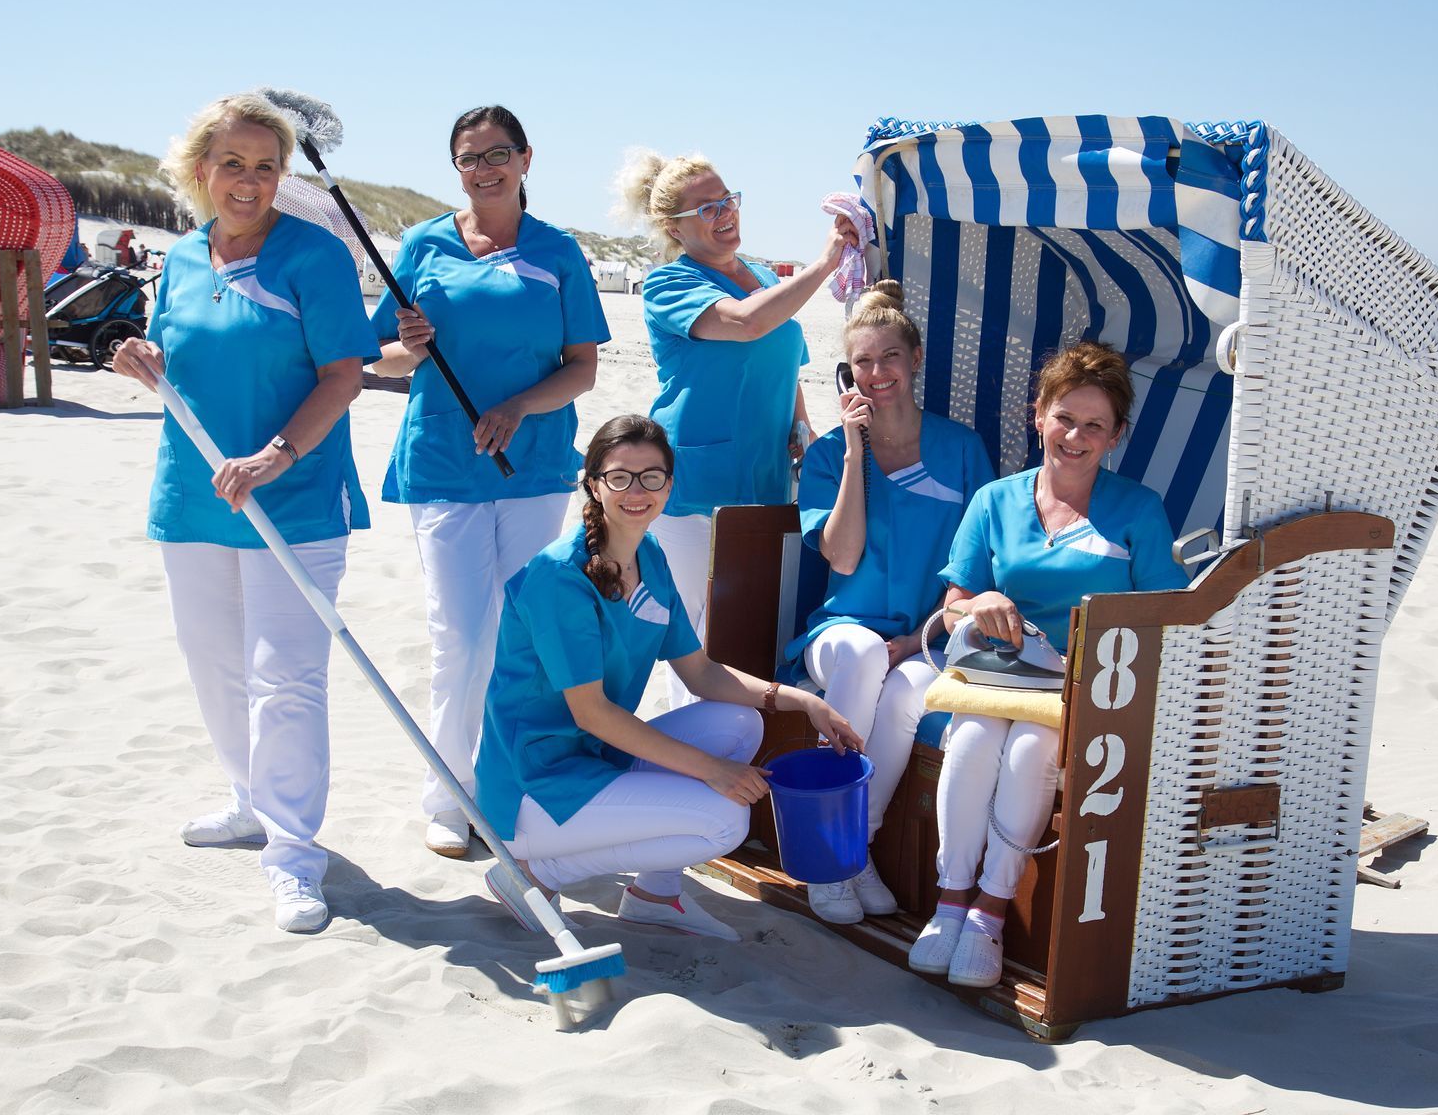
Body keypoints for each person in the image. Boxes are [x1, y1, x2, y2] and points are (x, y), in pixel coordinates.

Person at [109, 91, 375, 935]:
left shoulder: (315, 256)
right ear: (200, 172)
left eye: (267, 167)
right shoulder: (183, 259)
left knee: (287, 678)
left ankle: (296, 853)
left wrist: (275, 456)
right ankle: (248, 800)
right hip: (194, 494)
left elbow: (344, 376)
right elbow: (179, 357)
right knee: (214, 666)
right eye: (234, 164)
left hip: (292, 496)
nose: (251, 183)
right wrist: (145, 361)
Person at [475, 415, 864, 940]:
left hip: (594, 755)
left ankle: (654, 894)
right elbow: (591, 712)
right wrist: (711, 771)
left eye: (651, 477)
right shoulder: (558, 577)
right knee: (724, 821)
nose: (637, 492)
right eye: (620, 477)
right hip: (534, 786)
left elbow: (700, 672)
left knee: (741, 723)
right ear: (593, 483)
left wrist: (801, 701)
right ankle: (536, 873)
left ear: (670, 485)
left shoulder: (649, 556)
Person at [909, 341, 1186, 987]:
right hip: (998, 678)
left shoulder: (1138, 510)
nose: (1075, 437)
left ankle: (990, 913)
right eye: (1064, 418)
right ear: (1038, 416)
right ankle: (950, 901)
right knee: (975, 737)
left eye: (1094, 425)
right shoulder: (994, 501)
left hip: (1087, 691)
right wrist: (982, 602)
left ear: (1116, 436)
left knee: (1034, 749)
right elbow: (950, 610)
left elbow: (1163, 621)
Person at [372, 106, 609, 858]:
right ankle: (448, 792)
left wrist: (515, 406)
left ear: (526, 158)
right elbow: (375, 357)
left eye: (498, 153)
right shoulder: (424, 245)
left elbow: (582, 367)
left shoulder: (559, 253)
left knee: (522, 635)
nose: (485, 168)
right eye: (470, 158)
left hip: (534, 469)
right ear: (457, 169)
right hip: (443, 467)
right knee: (461, 634)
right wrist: (406, 346)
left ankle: (510, 784)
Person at [781, 281, 995, 924]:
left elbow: (979, 560)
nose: (877, 375)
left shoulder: (962, 450)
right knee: (867, 652)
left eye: (890, 358)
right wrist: (853, 450)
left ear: (915, 359)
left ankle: (854, 848)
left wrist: (926, 635)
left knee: (907, 692)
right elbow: (841, 558)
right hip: (840, 635)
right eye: (863, 363)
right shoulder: (825, 457)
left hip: (931, 633)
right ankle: (825, 849)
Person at [613, 151, 856, 701]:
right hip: (693, 485)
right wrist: (826, 262)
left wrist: (802, 429)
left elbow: (784, 363)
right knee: (696, 636)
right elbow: (747, 324)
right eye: (707, 208)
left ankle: (737, 748)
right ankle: (692, 754)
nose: (724, 213)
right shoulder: (668, 284)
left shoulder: (765, 277)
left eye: (728, 201)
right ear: (674, 226)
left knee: (750, 624)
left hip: (768, 479)